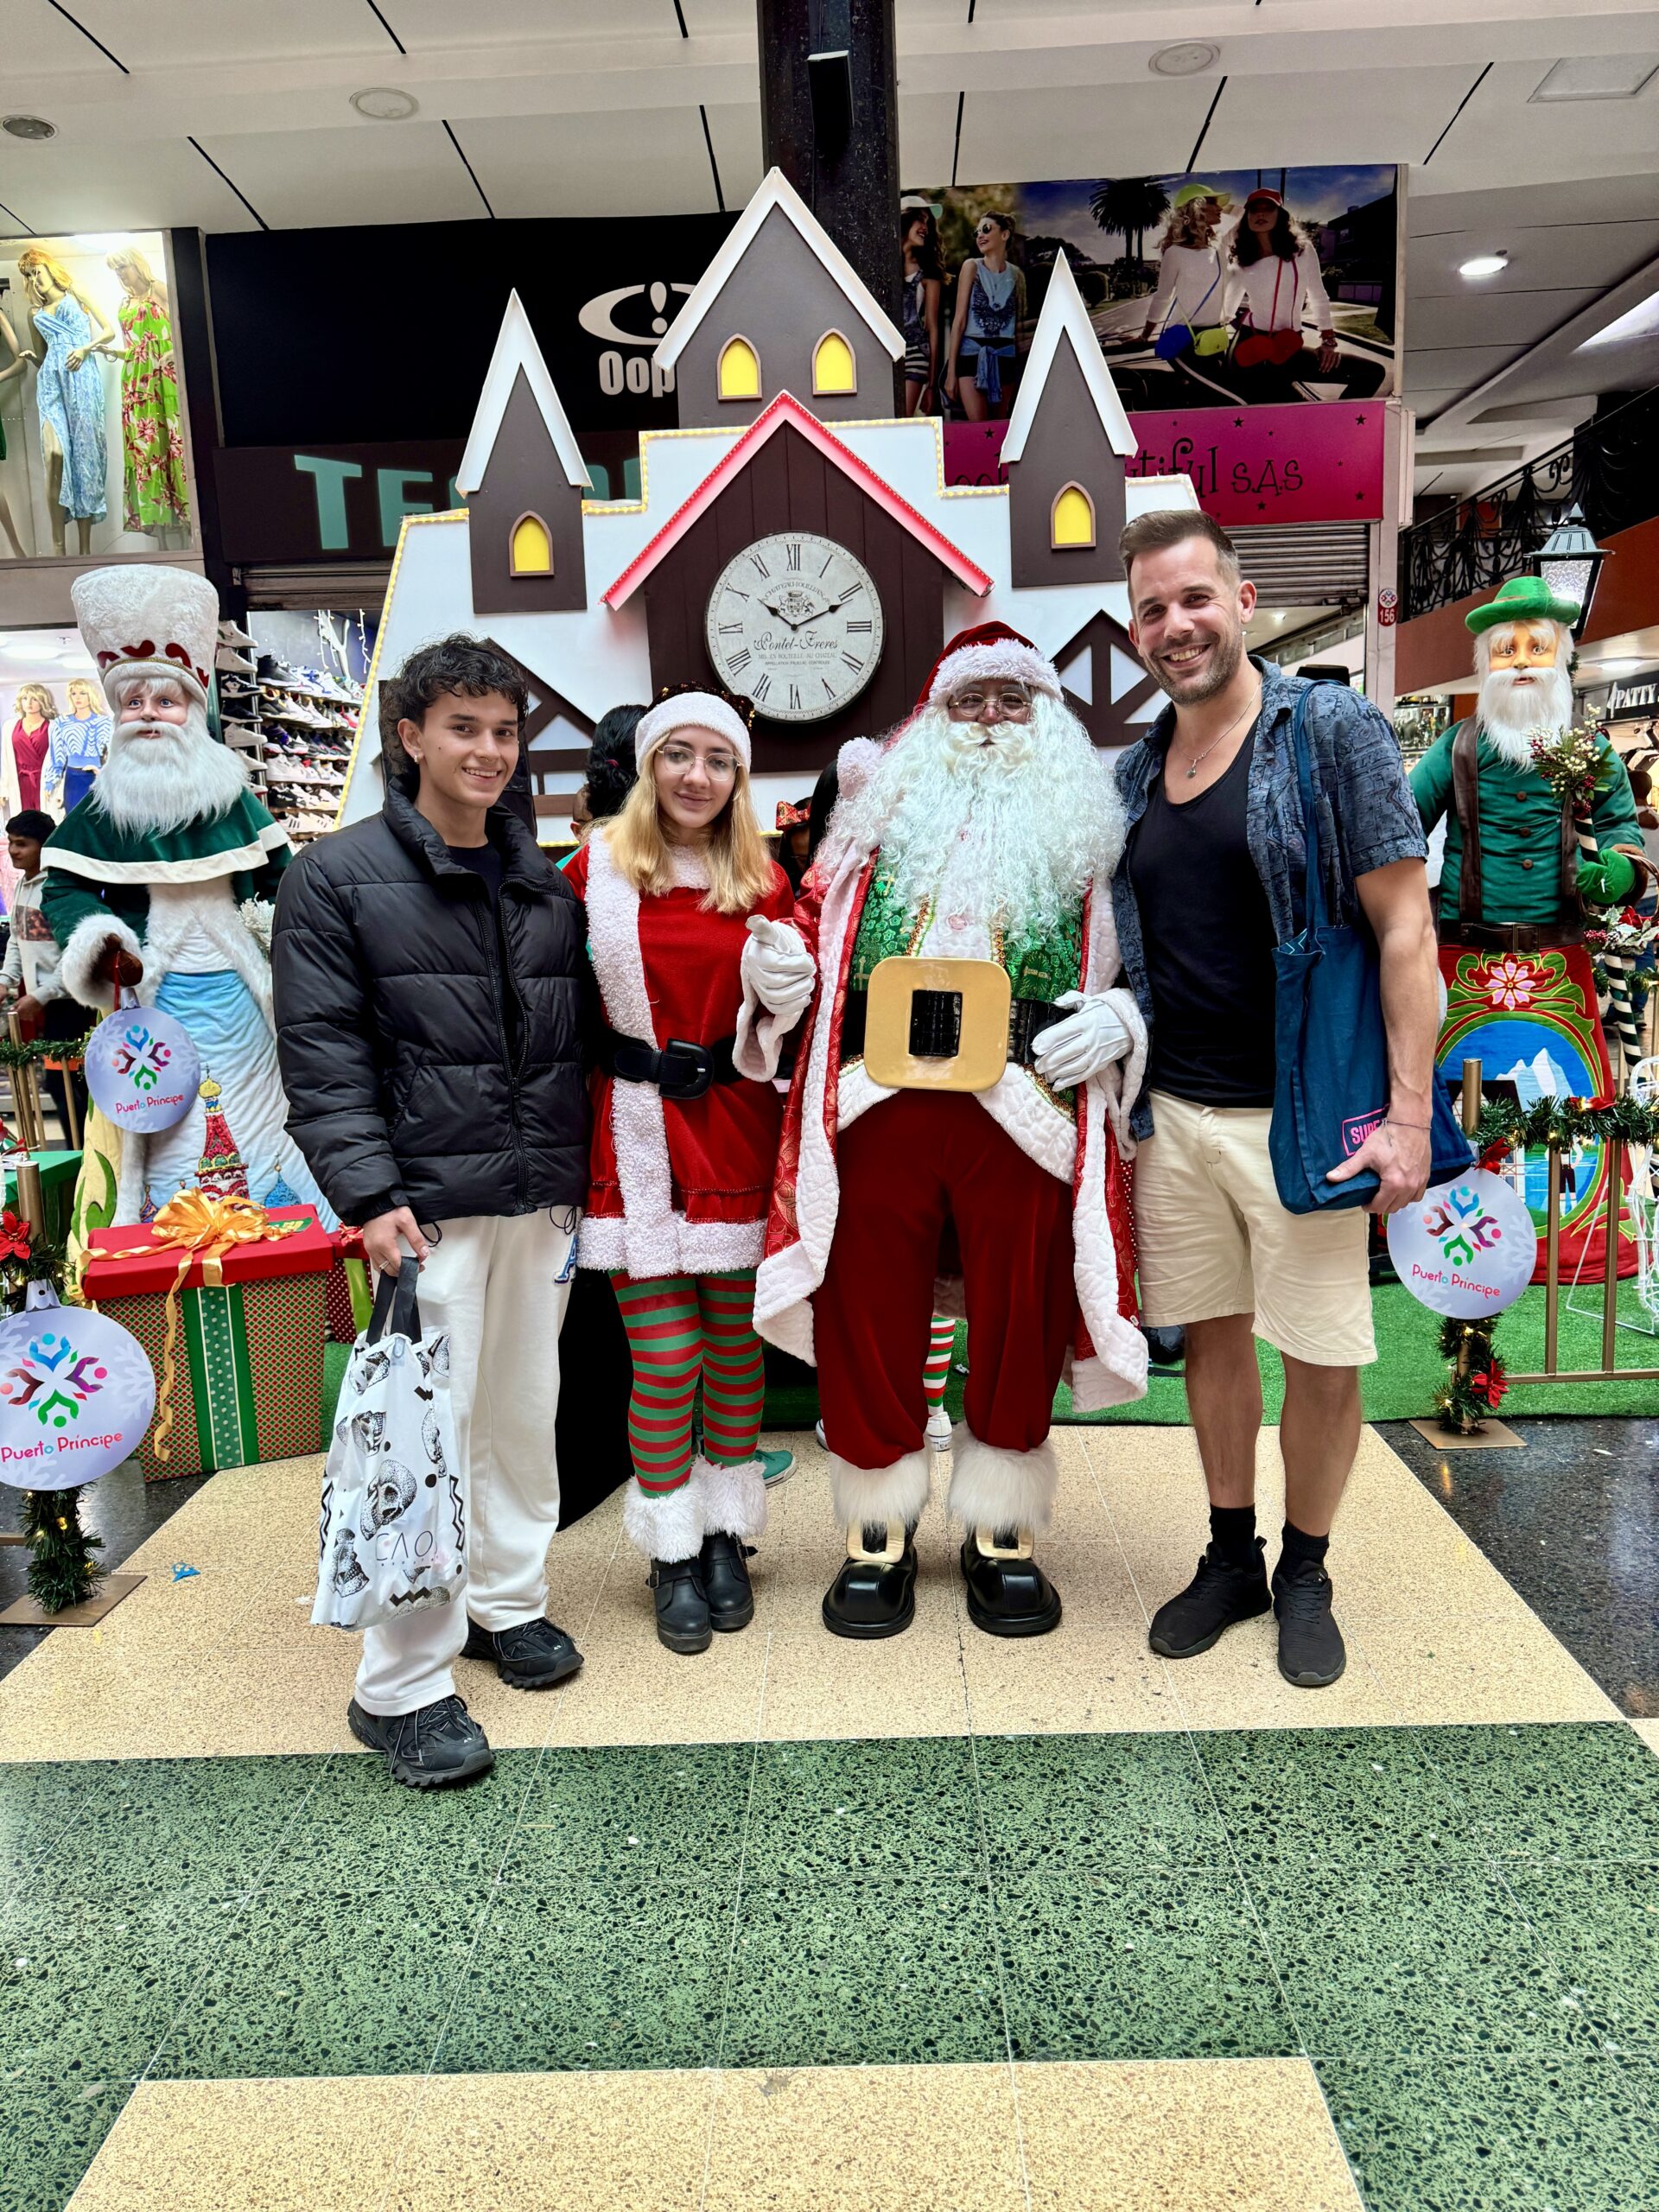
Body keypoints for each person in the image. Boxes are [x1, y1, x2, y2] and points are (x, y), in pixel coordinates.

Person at [744, 625, 1148, 1639]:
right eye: (971, 702)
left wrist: (1122, 1017)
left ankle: (1000, 1528)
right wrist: (779, 967)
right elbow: (807, 915)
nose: (991, 721)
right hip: (881, 1099)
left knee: (1023, 1304)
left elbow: (1150, 957)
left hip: (1029, 1106)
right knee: (866, 1304)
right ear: (934, 716)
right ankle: (876, 1530)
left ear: (1045, 717)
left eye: (1013, 701)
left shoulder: (1091, 838)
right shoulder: (873, 826)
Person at [1111, 507, 1437, 1689]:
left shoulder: (1328, 730)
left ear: (1243, 602)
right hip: (1177, 1117)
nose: (1175, 624)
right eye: (1153, 608)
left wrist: (1406, 1117)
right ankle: (1231, 1553)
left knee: (1324, 1352)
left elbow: (1406, 928)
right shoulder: (1137, 769)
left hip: (1305, 1114)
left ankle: (1308, 1567)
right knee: (1211, 1337)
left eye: (1195, 598)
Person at [273, 635, 590, 1789]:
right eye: (463, 728)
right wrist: (368, 1195)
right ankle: (399, 1682)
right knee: (422, 1437)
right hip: (425, 1213)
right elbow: (320, 1054)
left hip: (536, 1201)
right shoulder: (335, 877)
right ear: (410, 738)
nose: (488, 752)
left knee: (521, 1417)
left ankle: (508, 1603)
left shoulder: (542, 879)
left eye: (505, 732)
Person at [564, 688, 803, 1655]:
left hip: (735, 1125)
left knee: (737, 1352)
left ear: (738, 777)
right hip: (634, 1140)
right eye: (679, 755)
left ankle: (725, 1537)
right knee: (667, 1359)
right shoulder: (594, 870)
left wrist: (783, 1000)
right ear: (647, 763)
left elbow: (789, 1024)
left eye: (717, 759)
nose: (696, 775)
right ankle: (670, 1544)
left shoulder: (764, 879)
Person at [39, 569, 329, 1229]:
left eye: (164, 702)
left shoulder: (234, 796)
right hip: (153, 997)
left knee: (267, 1117)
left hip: (245, 993)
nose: (147, 715)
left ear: (193, 712)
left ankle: (288, 1249)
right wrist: (105, 940)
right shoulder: (103, 809)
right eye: (132, 702)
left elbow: (288, 883)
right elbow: (67, 886)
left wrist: (290, 944)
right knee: (165, 1131)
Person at [1411, 575, 1647, 1273]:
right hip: (1464, 958)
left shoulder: (1591, 749)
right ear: (1486, 662)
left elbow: (1623, 831)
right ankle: (1448, 1226)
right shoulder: (1455, 747)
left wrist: (1622, 874)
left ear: (1560, 658)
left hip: (1558, 959)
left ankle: (1574, 1236)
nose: (1519, 660)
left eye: (1535, 647)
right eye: (1507, 647)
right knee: (1453, 1094)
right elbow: (1396, 825)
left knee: (1566, 1095)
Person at [1224, 188, 1385, 402]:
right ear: (1247, 217)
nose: (1260, 214)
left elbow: (1318, 296)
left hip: (1289, 345)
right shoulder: (1241, 258)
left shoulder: (1301, 250)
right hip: (1251, 345)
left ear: (1280, 215)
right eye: (1254, 210)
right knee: (1284, 411)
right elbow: (1228, 304)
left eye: (1268, 209)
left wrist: (1328, 340)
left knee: (1372, 373)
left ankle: (1340, 427)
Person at [0, 809, 86, 1140]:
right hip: (47, 1003)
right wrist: (6, 979)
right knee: (58, 1082)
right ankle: (76, 1151)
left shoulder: (59, 886)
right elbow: (17, 937)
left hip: (72, 1002)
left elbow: (77, 955)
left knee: (72, 1082)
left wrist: (40, 995)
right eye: (11, 843)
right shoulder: (23, 885)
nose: (13, 851)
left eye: (22, 844)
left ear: (44, 845)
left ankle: (83, 1155)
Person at [944, 213, 1027, 422]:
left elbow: (1019, 328)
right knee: (979, 427)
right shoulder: (971, 266)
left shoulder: (1017, 275)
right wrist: (951, 373)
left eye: (986, 229)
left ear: (1005, 234)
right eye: (977, 232)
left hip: (1005, 357)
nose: (980, 235)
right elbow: (959, 321)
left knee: (999, 427)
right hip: (972, 354)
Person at [900, 200, 944, 416]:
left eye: (928, 223)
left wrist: (932, 385)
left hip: (916, 352)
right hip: (887, 352)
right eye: (921, 219)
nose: (925, 228)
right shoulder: (883, 266)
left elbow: (932, 329)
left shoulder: (928, 275)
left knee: (903, 419)